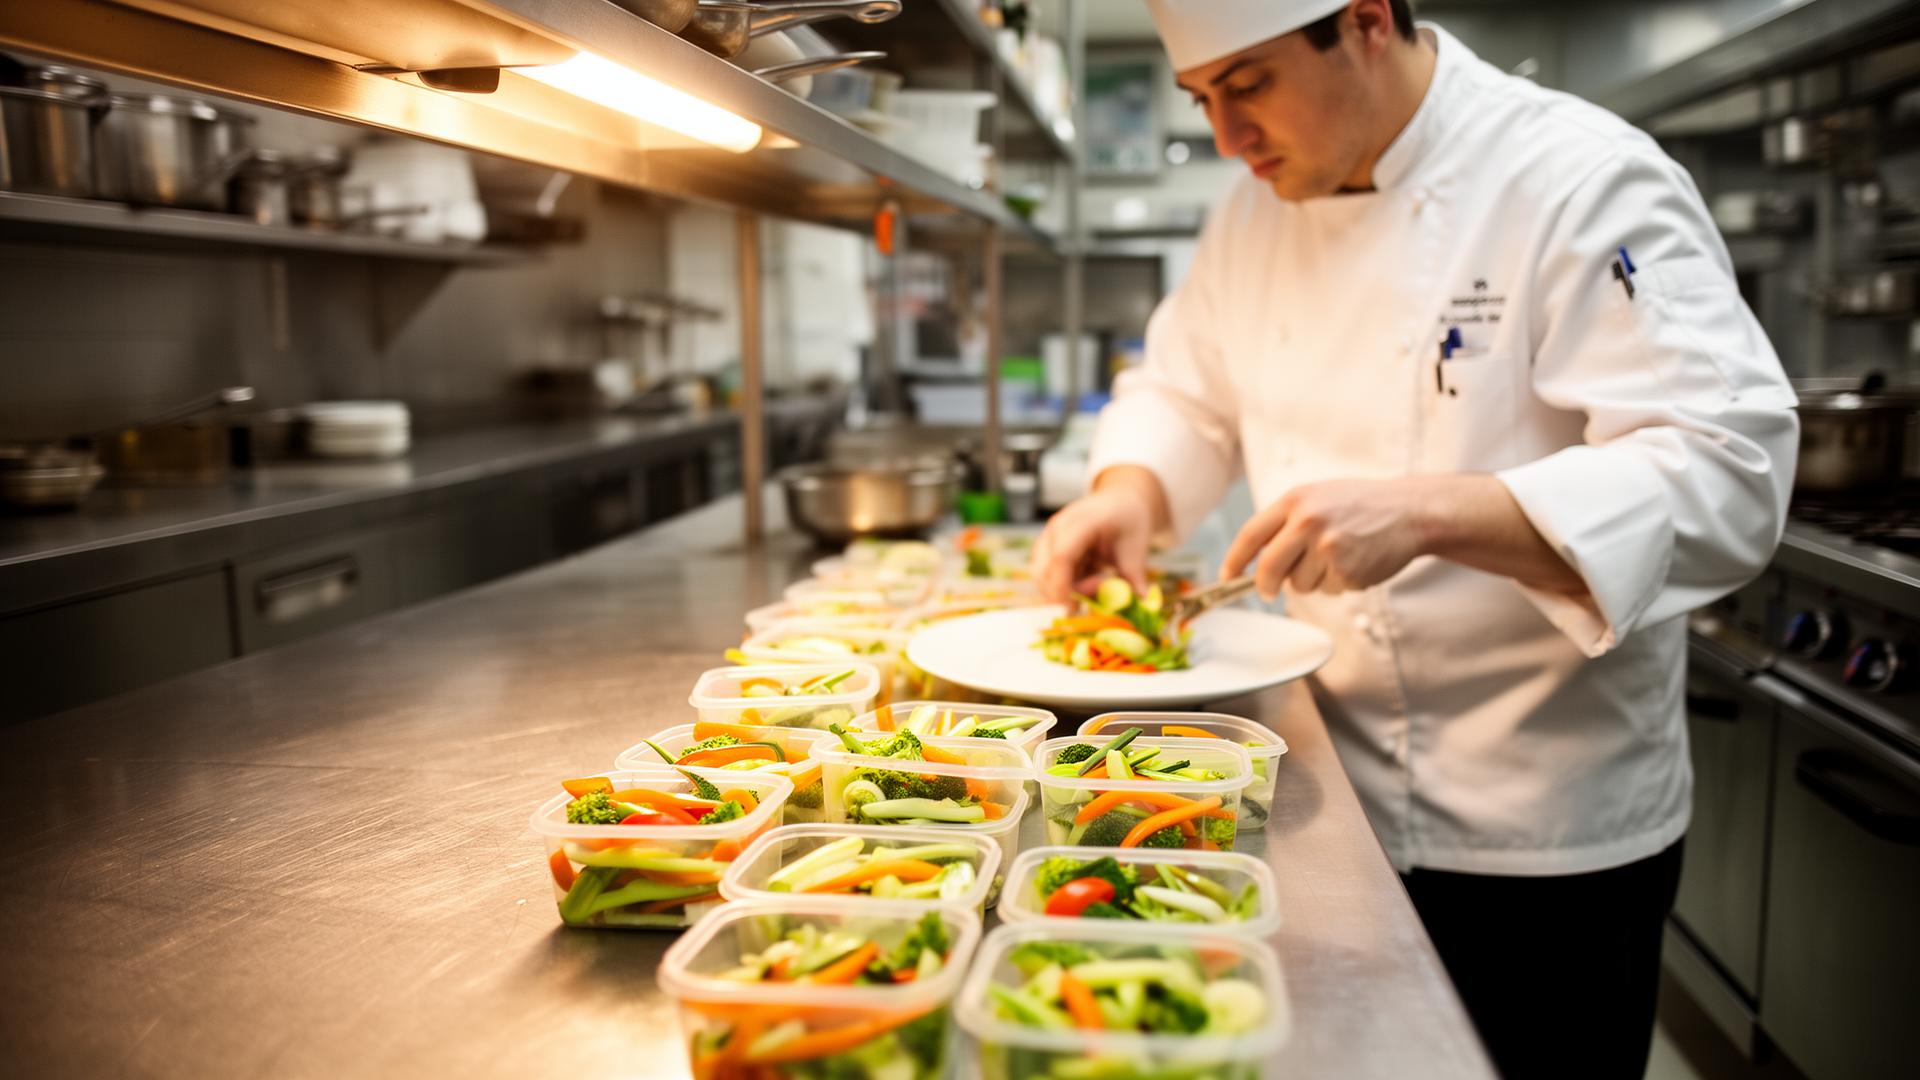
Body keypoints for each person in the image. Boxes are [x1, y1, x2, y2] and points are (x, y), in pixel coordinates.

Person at [1029, 1, 1798, 1076]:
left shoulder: (1576, 175)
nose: (1226, 137)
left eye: (1248, 84)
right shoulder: (1254, 209)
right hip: (1316, 786)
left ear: (1368, 21)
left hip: (1540, 822)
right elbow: (1186, 392)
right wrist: (1127, 490)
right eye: (1203, 99)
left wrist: (1432, 510)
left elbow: (1730, 472)